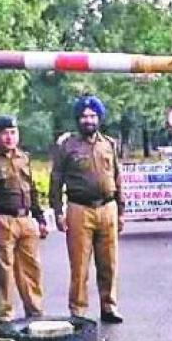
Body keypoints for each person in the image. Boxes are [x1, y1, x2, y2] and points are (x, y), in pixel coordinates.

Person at [49, 95, 124, 324]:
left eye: (92, 116)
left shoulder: (109, 144)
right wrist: (58, 212)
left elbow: (117, 177)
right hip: (79, 209)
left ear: (99, 118)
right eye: (84, 116)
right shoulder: (67, 146)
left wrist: (121, 211)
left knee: (108, 263)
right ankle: (78, 311)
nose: (88, 120)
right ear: (78, 119)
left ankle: (108, 307)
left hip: (107, 208)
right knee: (80, 265)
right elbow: (56, 179)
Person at [0, 115, 48, 324]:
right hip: (2, 218)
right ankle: (4, 314)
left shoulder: (23, 157)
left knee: (31, 267)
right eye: (4, 133)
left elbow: (31, 188)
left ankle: (34, 310)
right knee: (4, 270)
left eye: (13, 132)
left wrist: (40, 217)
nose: (9, 137)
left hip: (25, 218)